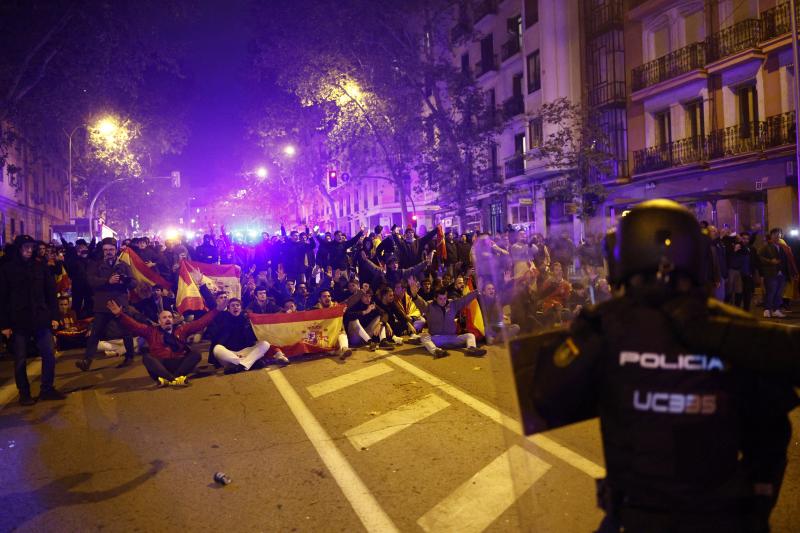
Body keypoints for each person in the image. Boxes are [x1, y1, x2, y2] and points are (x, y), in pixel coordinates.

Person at [519, 200, 799, 532]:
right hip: (721, 519)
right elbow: (772, 434)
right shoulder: (733, 329)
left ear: (622, 257)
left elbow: (547, 396)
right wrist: (755, 506)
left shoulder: (604, 328)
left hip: (634, 518)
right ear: (696, 256)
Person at [105, 269, 222, 387]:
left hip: (178, 362)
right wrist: (119, 315)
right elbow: (134, 326)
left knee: (196, 354)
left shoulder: (181, 330)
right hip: (161, 365)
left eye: (169, 317)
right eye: (164, 318)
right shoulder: (150, 331)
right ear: (159, 321)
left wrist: (217, 310)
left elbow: (201, 323)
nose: (167, 319)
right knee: (147, 358)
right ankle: (174, 379)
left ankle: (171, 379)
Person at [0, 235, 67, 405]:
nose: (29, 251)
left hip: (40, 317)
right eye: (25, 247)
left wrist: (54, 316)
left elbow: (50, 293)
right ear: (19, 249)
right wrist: (5, 324)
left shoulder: (40, 267)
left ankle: (47, 388)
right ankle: (24, 393)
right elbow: (2, 298)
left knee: (49, 354)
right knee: (21, 359)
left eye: (31, 247)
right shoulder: (7, 269)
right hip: (18, 320)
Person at [76, 238, 137, 371]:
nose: (108, 252)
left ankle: (130, 357)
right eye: (105, 250)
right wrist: (107, 281)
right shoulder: (95, 265)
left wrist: (124, 281)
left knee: (126, 331)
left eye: (111, 249)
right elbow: (91, 281)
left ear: (116, 250)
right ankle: (87, 360)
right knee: (95, 333)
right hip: (102, 304)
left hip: (119, 303)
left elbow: (134, 283)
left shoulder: (123, 265)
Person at [408, 279, 487, 359]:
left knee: (470, 335)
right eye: (440, 299)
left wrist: (477, 291)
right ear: (435, 298)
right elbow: (421, 304)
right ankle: (436, 351)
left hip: (452, 337)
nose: (443, 301)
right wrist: (414, 295)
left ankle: (471, 349)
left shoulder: (453, 304)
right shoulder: (429, 306)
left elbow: (465, 300)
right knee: (424, 337)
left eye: (445, 298)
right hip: (437, 338)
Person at [208, 298, 288, 373]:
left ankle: (240, 366)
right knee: (217, 349)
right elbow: (214, 324)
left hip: (245, 351)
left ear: (241, 308)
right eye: (232, 305)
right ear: (228, 308)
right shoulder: (223, 318)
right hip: (230, 354)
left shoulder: (247, 319)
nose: (235, 307)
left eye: (237, 305)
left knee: (265, 344)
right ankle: (248, 364)